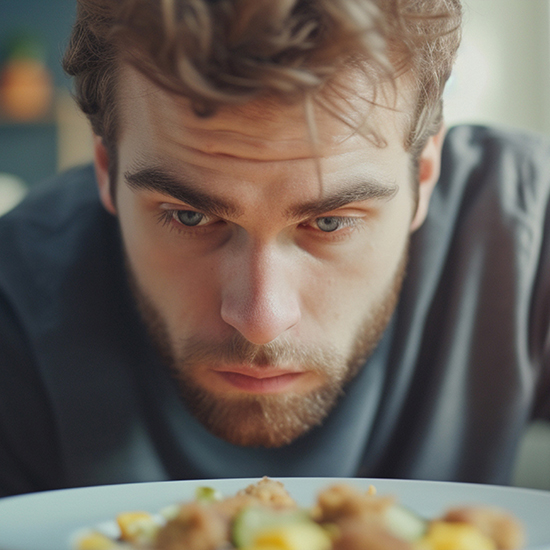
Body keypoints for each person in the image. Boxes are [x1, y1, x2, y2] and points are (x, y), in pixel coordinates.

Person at [0, 0, 548, 498]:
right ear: (106, 168)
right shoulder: (15, 296)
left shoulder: (525, 229)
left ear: (424, 175)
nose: (261, 318)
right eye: (189, 215)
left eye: (330, 221)